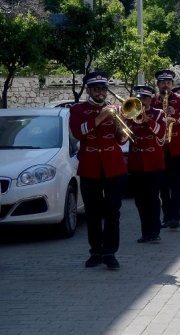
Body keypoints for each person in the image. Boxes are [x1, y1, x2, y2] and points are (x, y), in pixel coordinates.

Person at [69, 71, 128, 269]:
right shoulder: (78, 110)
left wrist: (123, 126)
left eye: (103, 89)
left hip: (114, 166)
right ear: (88, 90)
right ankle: (95, 251)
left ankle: (110, 252)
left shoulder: (116, 109)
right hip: (90, 167)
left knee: (112, 210)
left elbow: (121, 140)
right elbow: (79, 133)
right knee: (93, 212)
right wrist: (101, 116)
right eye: (96, 89)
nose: (100, 93)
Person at [152, 70, 180, 229]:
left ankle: (175, 216)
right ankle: (166, 215)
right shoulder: (153, 101)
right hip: (159, 149)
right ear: (158, 85)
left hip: (178, 148)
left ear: (172, 85)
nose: (165, 85)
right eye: (162, 83)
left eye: (168, 83)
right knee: (163, 185)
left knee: (175, 183)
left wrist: (176, 114)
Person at [127, 85, 167, 244]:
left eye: (145, 98)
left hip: (154, 164)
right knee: (140, 200)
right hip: (136, 163)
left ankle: (155, 231)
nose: (142, 101)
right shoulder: (130, 113)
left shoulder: (158, 113)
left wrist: (147, 120)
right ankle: (145, 232)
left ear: (151, 99)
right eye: (139, 98)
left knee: (152, 198)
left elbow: (161, 132)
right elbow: (123, 135)